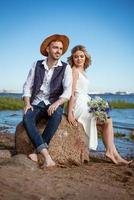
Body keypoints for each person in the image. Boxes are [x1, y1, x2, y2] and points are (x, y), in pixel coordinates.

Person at [67, 45, 132, 165]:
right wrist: (70, 113)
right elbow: (71, 93)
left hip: (86, 102)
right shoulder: (74, 71)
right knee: (107, 121)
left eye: (81, 56)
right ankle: (112, 154)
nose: (79, 59)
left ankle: (113, 154)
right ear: (72, 58)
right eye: (76, 57)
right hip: (79, 105)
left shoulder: (83, 71)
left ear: (85, 58)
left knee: (106, 122)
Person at [23, 34, 72, 167]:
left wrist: (57, 103)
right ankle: (47, 157)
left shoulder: (66, 68)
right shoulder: (36, 65)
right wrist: (27, 103)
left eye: (61, 49)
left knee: (57, 116)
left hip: (53, 103)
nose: (58, 51)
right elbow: (28, 85)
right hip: (36, 102)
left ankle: (36, 152)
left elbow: (68, 91)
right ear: (48, 49)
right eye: (55, 47)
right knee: (27, 117)